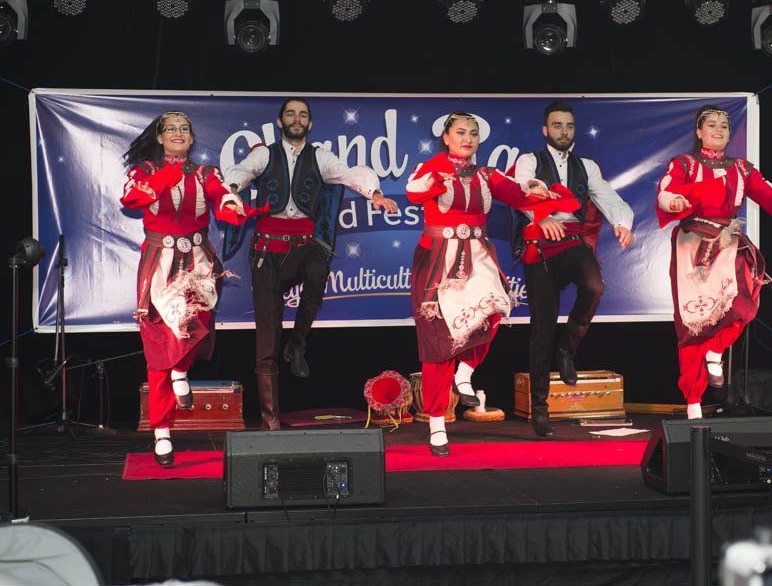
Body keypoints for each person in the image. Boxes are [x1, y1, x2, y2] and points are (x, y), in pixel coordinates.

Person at [406, 110, 579, 456]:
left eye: (473, 133)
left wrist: (534, 188)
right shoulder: (432, 168)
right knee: (438, 342)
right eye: (460, 132)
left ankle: (465, 371)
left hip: (477, 255)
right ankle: (438, 423)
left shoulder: (486, 174)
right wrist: (434, 182)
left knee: (496, 309)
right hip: (438, 259)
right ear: (446, 137)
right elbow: (414, 192)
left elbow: (517, 193)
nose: (467, 138)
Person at [222, 98, 398, 430]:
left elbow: (348, 174)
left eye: (303, 114)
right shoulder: (265, 154)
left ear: (310, 123)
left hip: (304, 246)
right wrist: (232, 189)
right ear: (280, 121)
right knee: (268, 336)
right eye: (291, 113)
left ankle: (298, 343)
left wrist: (373, 193)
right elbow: (242, 171)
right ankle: (270, 420)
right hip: (267, 253)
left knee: (319, 271)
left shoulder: (320, 155)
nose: (297, 119)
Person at [656, 105, 772, 419]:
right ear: (699, 131)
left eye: (724, 126)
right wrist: (673, 200)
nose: (719, 130)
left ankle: (717, 350)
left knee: (745, 305)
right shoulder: (684, 164)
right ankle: (693, 402)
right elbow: (666, 191)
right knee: (694, 325)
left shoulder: (742, 168)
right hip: (692, 242)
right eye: (712, 125)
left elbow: (771, 196)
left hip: (728, 240)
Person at [120, 111, 246, 466]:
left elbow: (222, 198)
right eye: (171, 129)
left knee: (194, 327)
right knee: (159, 344)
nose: (178, 133)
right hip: (160, 263)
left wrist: (232, 203)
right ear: (159, 138)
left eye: (185, 129)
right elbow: (131, 200)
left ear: (192, 139)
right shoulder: (144, 172)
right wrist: (167, 175)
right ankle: (162, 432)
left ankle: (181, 373)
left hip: (198, 262)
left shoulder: (205, 173)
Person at [512, 100, 635, 437]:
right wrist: (542, 215)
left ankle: (568, 348)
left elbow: (608, 198)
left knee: (594, 286)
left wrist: (622, 223)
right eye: (556, 125)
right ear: (545, 129)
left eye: (568, 126)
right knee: (542, 328)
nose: (563, 131)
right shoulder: (529, 161)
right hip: (540, 242)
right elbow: (522, 191)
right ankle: (540, 407)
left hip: (572, 242)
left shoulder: (587, 166)